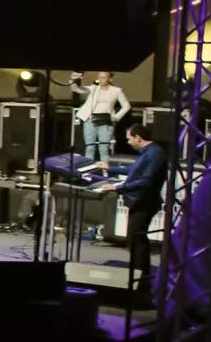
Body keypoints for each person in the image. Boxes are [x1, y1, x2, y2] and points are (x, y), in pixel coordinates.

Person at [95, 124, 166, 293]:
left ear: (138, 138)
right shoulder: (148, 153)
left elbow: (145, 181)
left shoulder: (155, 154)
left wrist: (117, 188)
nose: (128, 142)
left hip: (145, 203)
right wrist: (109, 168)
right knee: (135, 240)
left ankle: (141, 280)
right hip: (140, 202)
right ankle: (139, 277)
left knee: (138, 241)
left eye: (129, 138)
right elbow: (132, 171)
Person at [71, 72, 131, 161]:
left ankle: (105, 171)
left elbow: (126, 105)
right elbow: (77, 89)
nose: (100, 80)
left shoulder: (116, 90)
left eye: (103, 77)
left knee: (104, 149)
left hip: (105, 121)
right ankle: (89, 170)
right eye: (99, 77)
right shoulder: (93, 88)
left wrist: (116, 117)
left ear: (110, 79)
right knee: (90, 148)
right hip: (90, 120)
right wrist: (73, 80)